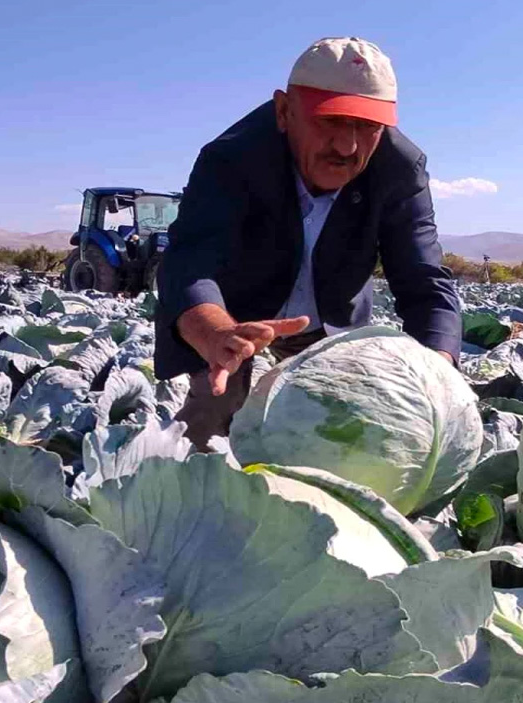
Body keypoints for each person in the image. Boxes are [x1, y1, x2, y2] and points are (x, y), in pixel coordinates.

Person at [155, 36, 462, 447]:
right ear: (284, 111)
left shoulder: (399, 169)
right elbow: (190, 260)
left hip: (328, 318)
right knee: (212, 412)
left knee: (343, 433)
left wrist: (438, 371)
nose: (347, 146)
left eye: (368, 126)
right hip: (237, 318)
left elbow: (424, 280)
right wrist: (214, 334)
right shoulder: (232, 159)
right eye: (330, 120)